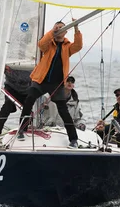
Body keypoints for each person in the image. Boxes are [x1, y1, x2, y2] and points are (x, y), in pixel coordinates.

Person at [17, 20, 83, 148]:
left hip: (57, 84)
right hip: (41, 80)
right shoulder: (49, 43)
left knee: (63, 110)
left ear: (66, 31)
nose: (59, 30)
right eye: (57, 28)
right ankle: (22, 129)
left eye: (62, 28)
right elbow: (41, 45)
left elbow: (78, 46)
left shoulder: (67, 46)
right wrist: (53, 31)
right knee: (29, 100)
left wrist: (76, 28)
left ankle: (73, 139)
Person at [0, 65, 32, 138]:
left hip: (27, 89)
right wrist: (3, 68)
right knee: (7, 105)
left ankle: (23, 129)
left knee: (28, 108)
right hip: (11, 87)